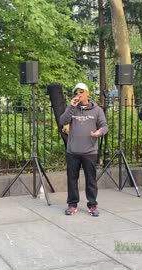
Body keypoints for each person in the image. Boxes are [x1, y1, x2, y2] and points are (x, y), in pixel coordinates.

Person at [59, 82, 108, 217]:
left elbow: (104, 126)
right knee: (72, 179)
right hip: (73, 151)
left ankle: (92, 205)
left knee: (91, 179)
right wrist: (71, 106)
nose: (78, 95)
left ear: (87, 93)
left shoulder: (97, 110)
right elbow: (62, 121)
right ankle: (72, 205)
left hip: (90, 151)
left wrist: (99, 132)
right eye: (76, 92)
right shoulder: (72, 108)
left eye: (81, 92)